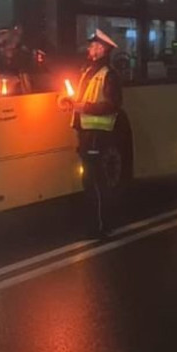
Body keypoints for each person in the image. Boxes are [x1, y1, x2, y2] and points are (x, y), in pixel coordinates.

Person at [59, 29, 124, 238]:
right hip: (87, 132)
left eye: (94, 46)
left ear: (102, 50)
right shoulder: (90, 71)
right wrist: (68, 102)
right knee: (90, 180)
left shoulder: (108, 74)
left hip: (98, 133)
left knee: (95, 181)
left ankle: (101, 226)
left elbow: (112, 105)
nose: (90, 48)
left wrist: (83, 108)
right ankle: (96, 224)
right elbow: (81, 97)